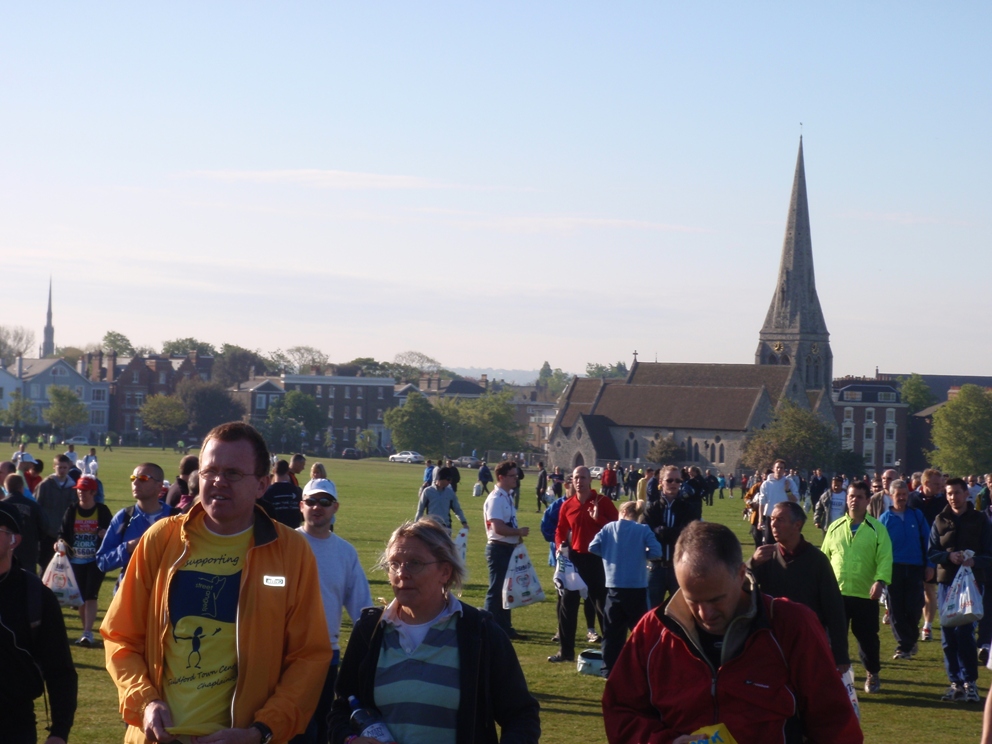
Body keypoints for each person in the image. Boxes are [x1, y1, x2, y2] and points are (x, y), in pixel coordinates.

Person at [101, 422, 332, 744]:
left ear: (262, 484)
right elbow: (120, 636)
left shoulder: (291, 552)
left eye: (234, 473)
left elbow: (309, 656)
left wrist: (263, 730)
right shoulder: (161, 539)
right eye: (210, 471)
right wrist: (146, 702)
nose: (219, 482)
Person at [602, 521, 863, 743]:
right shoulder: (653, 631)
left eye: (716, 599)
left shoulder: (790, 625)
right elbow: (620, 710)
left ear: (741, 574)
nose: (706, 614)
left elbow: (836, 723)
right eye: (693, 600)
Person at [329, 518, 540, 744]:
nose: (402, 573)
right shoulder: (370, 631)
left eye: (414, 563)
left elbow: (521, 716)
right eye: (394, 564)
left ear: (445, 571)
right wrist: (349, 739)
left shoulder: (479, 632)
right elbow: (341, 709)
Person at [296, 478, 372, 744]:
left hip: (326, 655)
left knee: (321, 725)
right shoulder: (285, 545)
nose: (318, 507)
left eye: (325, 502)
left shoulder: (345, 552)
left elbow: (363, 608)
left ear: (335, 507)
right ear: (301, 505)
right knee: (289, 726)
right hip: (286, 653)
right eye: (311, 501)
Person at [0, 501, 78, 744]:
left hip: (14, 726)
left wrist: (59, 732)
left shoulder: (35, 596)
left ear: (14, 540)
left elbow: (60, 670)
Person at [749, 501, 850, 671]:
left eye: (780, 519)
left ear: (797, 525)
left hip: (807, 641)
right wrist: (752, 564)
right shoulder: (765, 556)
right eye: (772, 519)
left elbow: (834, 609)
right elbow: (737, 588)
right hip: (772, 639)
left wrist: (840, 654)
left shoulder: (817, 561)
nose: (773, 524)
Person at [821, 480, 893, 694]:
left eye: (859, 497)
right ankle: (835, 676)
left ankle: (872, 673)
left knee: (868, 638)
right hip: (837, 594)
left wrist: (880, 581)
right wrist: (821, 587)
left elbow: (885, 558)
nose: (854, 500)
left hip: (865, 594)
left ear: (867, 501)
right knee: (834, 638)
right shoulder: (835, 527)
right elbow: (824, 559)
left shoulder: (877, 529)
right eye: (851, 496)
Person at [928, 477, 992, 703]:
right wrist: (948, 556)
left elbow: (989, 553)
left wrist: (976, 561)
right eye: (949, 493)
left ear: (967, 494)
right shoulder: (940, 519)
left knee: (965, 632)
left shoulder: (980, 520)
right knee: (947, 635)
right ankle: (954, 683)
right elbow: (931, 551)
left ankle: (970, 683)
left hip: (972, 584)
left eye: (957, 492)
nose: (953, 497)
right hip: (947, 583)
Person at [550, 466, 618, 663]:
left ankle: (612, 653)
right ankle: (566, 652)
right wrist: (559, 547)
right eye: (576, 478)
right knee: (567, 604)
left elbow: (617, 528)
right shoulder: (567, 504)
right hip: (575, 560)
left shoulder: (602, 502)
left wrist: (599, 518)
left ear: (591, 480)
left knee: (603, 606)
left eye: (583, 478)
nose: (579, 481)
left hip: (598, 560)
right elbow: (560, 529)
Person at [588, 501, 661, 677]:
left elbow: (592, 547)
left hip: (614, 586)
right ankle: (644, 667)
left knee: (612, 633)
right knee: (641, 632)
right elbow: (657, 553)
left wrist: (608, 555)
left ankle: (609, 670)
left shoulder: (608, 528)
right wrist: (642, 554)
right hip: (637, 587)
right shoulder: (643, 530)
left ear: (623, 511)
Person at [96, 462, 178, 593]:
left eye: (143, 478)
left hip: (165, 597)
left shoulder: (176, 518)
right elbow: (102, 562)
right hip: (129, 598)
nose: (135, 483)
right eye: (133, 478)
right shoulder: (123, 517)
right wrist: (128, 547)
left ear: (159, 486)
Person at [58, 474, 112, 646]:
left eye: (85, 490)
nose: (81, 493)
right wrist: (59, 543)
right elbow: (63, 533)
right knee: (81, 597)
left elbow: (113, 533)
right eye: (79, 490)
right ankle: (85, 631)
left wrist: (105, 534)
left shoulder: (102, 511)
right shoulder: (72, 510)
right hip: (76, 561)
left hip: (96, 561)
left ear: (93, 492)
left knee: (91, 595)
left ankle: (88, 631)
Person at [483, 460, 529, 639]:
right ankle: (487, 626)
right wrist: (518, 532)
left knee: (507, 590)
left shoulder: (506, 497)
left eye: (516, 475)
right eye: (512, 476)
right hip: (498, 548)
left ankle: (505, 627)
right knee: (496, 591)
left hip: (508, 548)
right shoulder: (495, 499)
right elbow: (498, 528)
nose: (515, 479)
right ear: (501, 477)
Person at [642, 465, 694, 608]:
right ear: (661, 482)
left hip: (678, 567)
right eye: (670, 480)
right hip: (655, 567)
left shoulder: (687, 508)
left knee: (680, 613)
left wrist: (662, 531)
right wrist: (672, 532)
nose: (674, 484)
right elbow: (645, 533)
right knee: (651, 612)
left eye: (678, 481)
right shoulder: (652, 508)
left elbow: (687, 534)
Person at [909, 468, 948, 642]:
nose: (940, 487)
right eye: (937, 484)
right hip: (913, 550)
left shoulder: (943, 502)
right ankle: (911, 623)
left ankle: (927, 626)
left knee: (929, 589)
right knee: (913, 591)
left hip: (934, 550)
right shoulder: (912, 499)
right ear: (925, 484)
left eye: (941, 484)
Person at [34, 455, 77, 570]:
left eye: (65, 467)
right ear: (54, 467)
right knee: (45, 568)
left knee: (65, 569)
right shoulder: (45, 485)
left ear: (69, 468)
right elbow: (36, 508)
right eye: (59, 467)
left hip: (66, 535)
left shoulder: (73, 488)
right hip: (47, 534)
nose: (62, 470)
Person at [3, 473, 46, 574]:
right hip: (29, 551)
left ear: (6, 487)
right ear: (21, 487)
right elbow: (44, 527)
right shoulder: (33, 506)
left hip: (6, 550)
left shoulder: (2, 506)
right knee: (28, 582)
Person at [415, 466, 469, 534]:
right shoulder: (427, 491)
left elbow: (457, 509)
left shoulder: (450, 492)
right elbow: (420, 510)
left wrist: (464, 522)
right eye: (448, 479)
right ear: (441, 478)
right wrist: (416, 525)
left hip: (446, 527)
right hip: (431, 527)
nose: (450, 482)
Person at [756, 459, 800, 544]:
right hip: (770, 518)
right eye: (777, 467)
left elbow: (795, 500)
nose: (779, 470)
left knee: (783, 543)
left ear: (784, 470)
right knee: (769, 543)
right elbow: (762, 503)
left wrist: (787, 490)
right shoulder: (766, 484)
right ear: (773, 469)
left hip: (785, 519)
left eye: (781, 468)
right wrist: (760, 520)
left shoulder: (790, 483)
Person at [259, 459, 304, 529]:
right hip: (294, 534)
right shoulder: (298, 491)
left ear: (274, 471)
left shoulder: (266, 492)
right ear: (287, 471)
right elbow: (303, 515)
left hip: (274, 534)